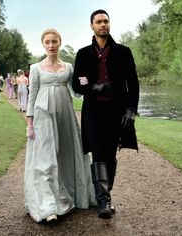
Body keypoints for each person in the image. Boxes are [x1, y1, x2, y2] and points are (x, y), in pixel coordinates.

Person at [72, 9, 139, 219]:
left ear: (109, 24)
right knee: (98, 153)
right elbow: (77, 84)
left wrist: (131, 111)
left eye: (106, 21)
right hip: (93, 112)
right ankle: (104, 201)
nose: (103, 25)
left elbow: (134, 84)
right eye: (99, 22)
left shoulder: (123, 52)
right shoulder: (83, 54)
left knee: (110, 154)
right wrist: (96, 88)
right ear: (91, 26)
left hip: (116, 110)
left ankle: (105, 194)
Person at [24, 28, 96, 223]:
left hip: (65, 115)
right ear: (43, 44)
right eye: (47, 42)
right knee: (46, 159)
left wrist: (84, 82)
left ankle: (72, 194)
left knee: (65, 153)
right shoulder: (36, 68)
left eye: (54, 41)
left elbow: (77, 93)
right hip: (43, 116)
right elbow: (32, 97)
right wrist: (29, 124)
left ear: (59, 42)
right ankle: (48, 206)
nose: (51, 45)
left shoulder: (68, 67)